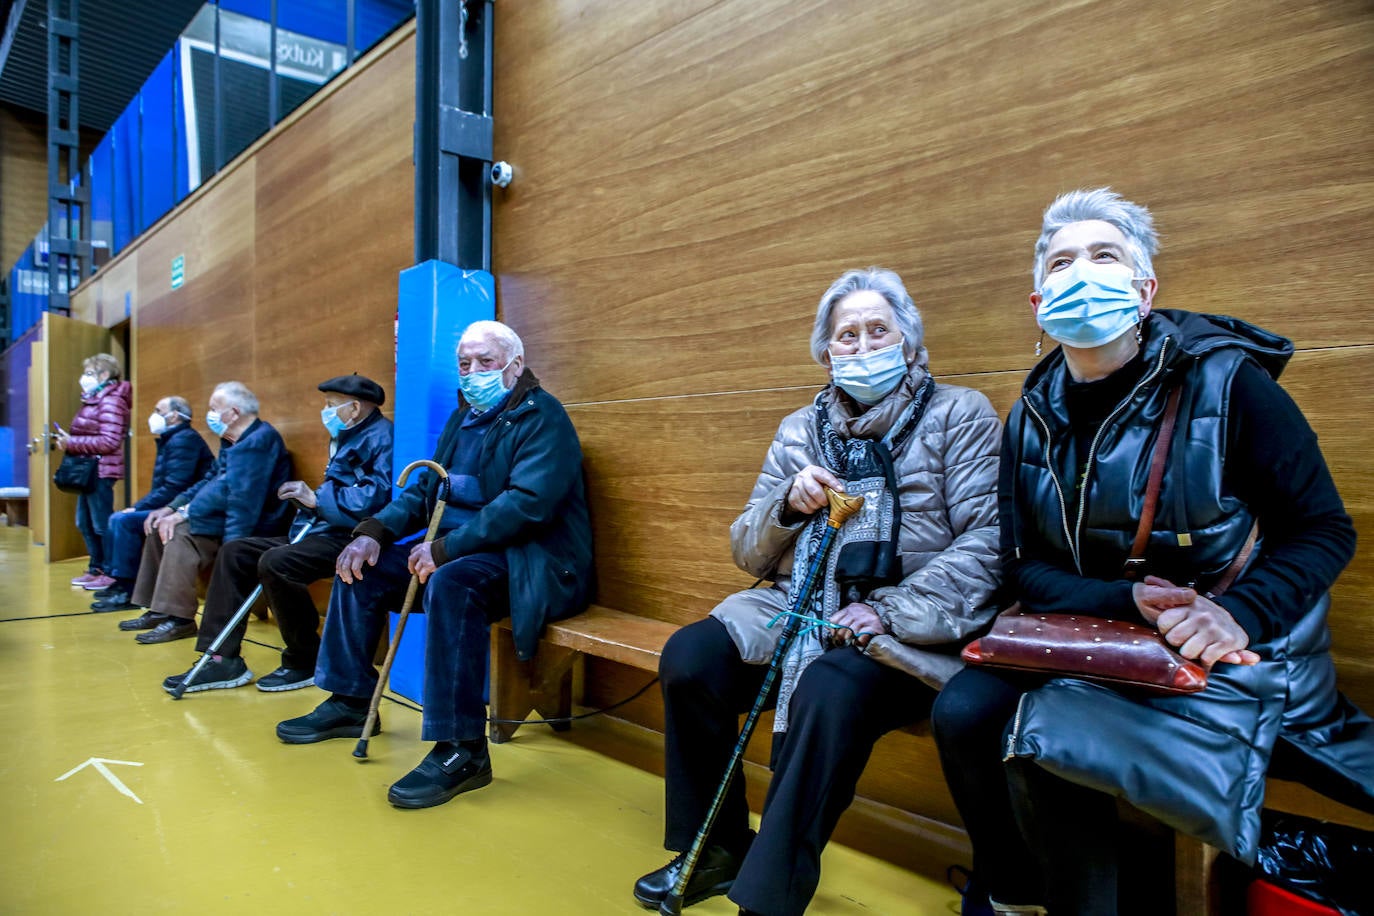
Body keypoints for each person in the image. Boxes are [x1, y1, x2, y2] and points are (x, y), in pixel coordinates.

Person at [931, 188, 1374, 916]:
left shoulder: (1229, 382)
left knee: (1053, 746)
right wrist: (1122, 600)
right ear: (1040, 302)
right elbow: (1023, 570)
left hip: (1229, 646)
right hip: (1101, 632)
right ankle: (1011, 890)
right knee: (963, 711)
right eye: (1063, 261)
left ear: (1145, 289)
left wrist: (1235, 615)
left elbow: (1323, 529)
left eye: (1105, 256)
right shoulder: (1028, 416)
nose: (1083, 272)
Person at [632, 268, 1002, 916]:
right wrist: (786, 504)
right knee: (691, 658)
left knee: (831, 685)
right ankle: (712, 849)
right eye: (846, 336)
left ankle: (767, 898)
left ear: (909, 344)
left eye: (877, 331)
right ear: (826, 353)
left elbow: (991, 542)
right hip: (800, 605)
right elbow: (747, 549)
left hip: (908, 625)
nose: (861, 347)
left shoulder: (959, 413)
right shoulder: (799, 429)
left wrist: (887, 610)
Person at [275, 320, 594, 810]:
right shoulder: (462, 418)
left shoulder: (542, 417)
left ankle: (462, 749)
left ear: (516, 366)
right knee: (359, 566)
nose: (472, 372)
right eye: (464, 364)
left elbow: (527, 505)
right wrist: (372, 532)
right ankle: (349, 700)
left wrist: (444, 549)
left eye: (484, 362)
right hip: (464, 551)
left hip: (535, 562)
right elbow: (426, 490)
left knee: (453, 583)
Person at [162, 374, 394, 693]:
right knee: (236, 552)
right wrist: (311, 500)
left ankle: (304, 658)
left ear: (354, 408)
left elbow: (378, 496)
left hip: (352, 538)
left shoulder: (381, 437)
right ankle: (219, 659)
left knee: (277, 562)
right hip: (319, 529)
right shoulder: (347, 435)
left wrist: (317, 498)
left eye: (331, 405)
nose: (325, 411)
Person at [121, 381, 292, 644]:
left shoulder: (259, 440)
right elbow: (210, 480)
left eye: (214, 409)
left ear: (234, 412)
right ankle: (157, 608)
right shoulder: (231, 439)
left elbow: (240, 500)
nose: (209, 415)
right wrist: (172, 506)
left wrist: (192, 519)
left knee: (178, 533)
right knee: (158, 524)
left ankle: (180, 620)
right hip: (222, 517)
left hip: (256, 523)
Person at [90, 397, 213, 612]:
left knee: (124, 521)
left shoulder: (183, 440)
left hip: (183, 506)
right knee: (118, 518)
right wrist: (140, 507)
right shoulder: (172, 439)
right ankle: (119, 581)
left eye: (158, 410)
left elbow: (174, 488)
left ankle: (128, 590)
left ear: (174, 415)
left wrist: (138, 508)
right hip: (174, 503)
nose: (153, 415)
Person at [57, 353, 132, 591]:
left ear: (104, 375)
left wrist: (72, 443)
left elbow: (110, 441)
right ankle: (96, 567)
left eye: (89, 373)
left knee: (101, 523)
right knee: (85, 522)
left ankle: (111, 571)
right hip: (88, 470)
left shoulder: (112, 400)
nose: (84, 378)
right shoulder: (95, 398)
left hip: (100, 470)